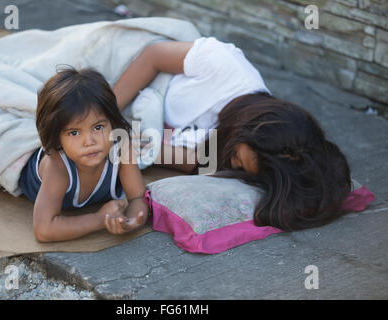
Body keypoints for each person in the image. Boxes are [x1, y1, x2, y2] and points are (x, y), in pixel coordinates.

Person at [112, 37, 352, 231]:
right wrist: (105, 117)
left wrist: (123, 142)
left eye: (243, 169)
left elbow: (150, 152)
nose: (233, 164)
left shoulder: (221, 157)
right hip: (122, 63)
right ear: (248, 128)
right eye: (238, 157)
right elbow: (152, 56)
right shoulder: (225, 65)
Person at [19, 67, 149, 243]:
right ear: (57, 137)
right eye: (74, 133)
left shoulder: (121, 147)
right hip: (29, 165)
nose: (89, 142)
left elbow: (138, 197)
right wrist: (100, 219)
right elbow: (44, 229)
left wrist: (131, 221)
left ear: (112, 122)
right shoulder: (58, 165)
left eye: (98, 127)